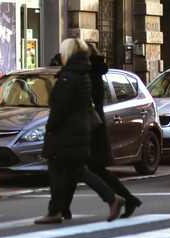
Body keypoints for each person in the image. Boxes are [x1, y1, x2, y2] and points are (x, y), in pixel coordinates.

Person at [35, 38, 124, 224]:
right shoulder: (83, 74)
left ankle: (57, 211)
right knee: (75, 171)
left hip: (66, 134)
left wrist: (50, 127)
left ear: (68, 53)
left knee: (60, 172)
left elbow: (60, 107)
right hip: (79, 132)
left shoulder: (68, 77)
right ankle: (59, 210)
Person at [61, 43, 142, 219]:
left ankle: (125, 199)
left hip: (88, 130)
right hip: (93, 128)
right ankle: (62, 208)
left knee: (84, 169)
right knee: (79, 170)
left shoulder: (87, 74)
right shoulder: (93, 72)